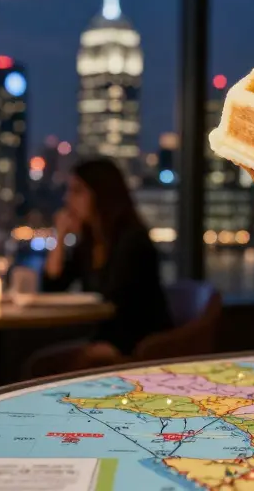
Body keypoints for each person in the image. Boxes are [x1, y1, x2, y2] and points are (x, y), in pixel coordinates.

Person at [37, 158, 172, 374]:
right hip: (105, 337)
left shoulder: (132, 240)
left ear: (100, 194)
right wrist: (60, 236)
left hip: (138, 341)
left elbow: (121, 303)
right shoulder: (89, 242)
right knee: (41, 362)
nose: (67, 199)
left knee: (56, 366)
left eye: (77, 191)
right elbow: (52, 286)